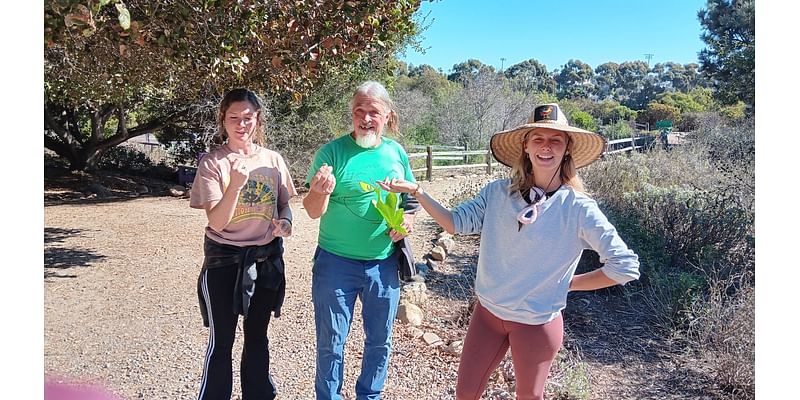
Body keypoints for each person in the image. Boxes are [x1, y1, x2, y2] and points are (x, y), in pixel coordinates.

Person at [377, 103, 641, 400]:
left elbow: (625, 266)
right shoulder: (497, 193)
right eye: (538, 139)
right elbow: (454, 223)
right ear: (525, 146)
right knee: (465, 394)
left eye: (556, 140)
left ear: (567, 148)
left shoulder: (578, 208)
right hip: (487, 315)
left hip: (537, 324)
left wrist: (570, 284)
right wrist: (417, 192)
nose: (546, 147)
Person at [303, 80, 418, 400]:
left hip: (383, 264)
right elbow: (312, 211)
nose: (365, 118)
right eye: (358, 111)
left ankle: (370, 395)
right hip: (335, 263)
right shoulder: (331, 153)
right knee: (331, 342)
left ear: (388, 117)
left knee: (380, 341)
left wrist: (406, 221)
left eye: (373, 112)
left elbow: (410, 199)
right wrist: (318, 191)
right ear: (351, 115)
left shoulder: (396, 153)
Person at [189, 88, 297, 400]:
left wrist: (286, 224)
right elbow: (217, 222)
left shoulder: (273, 160)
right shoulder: (213, 163)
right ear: (223, 120)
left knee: (257, 339)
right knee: (221, 342)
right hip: (224, 263)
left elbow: (284, 205)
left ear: (258, 120)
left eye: (247, 118)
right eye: (233, 118)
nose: (241, 124)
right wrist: (235, 185)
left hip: (265, 262)